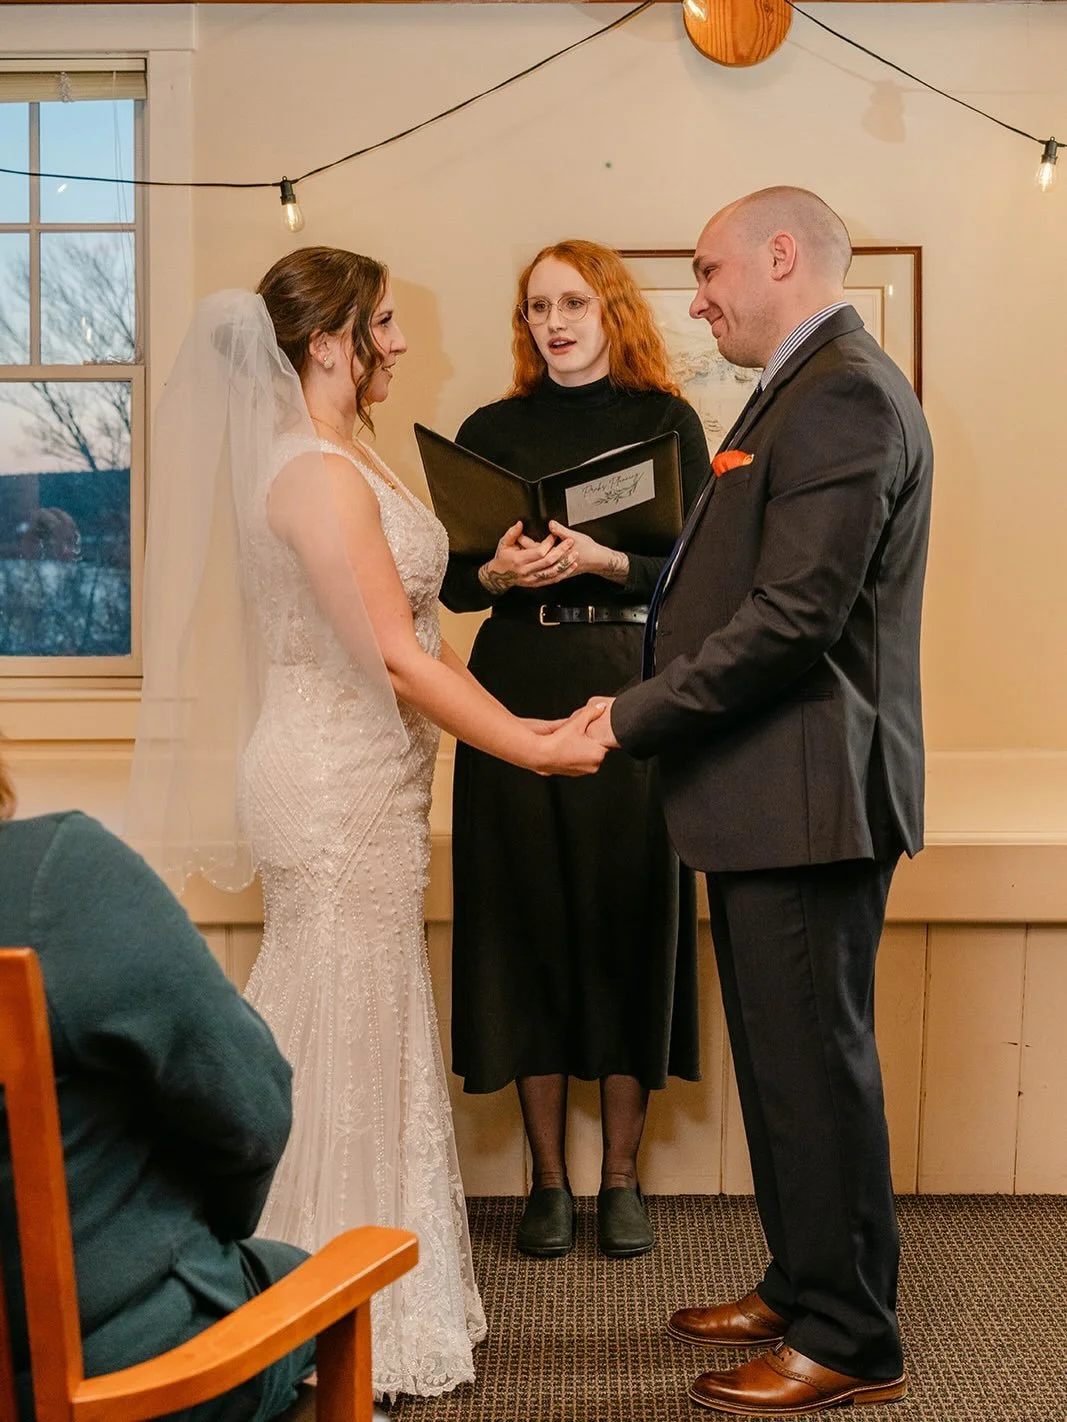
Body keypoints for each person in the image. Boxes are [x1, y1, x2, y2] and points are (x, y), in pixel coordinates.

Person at [127, 247, 605, 1402]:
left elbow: (399, 614)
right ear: (329, 341)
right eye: (382, 324)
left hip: (377, 784)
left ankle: (362, 1298)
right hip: (329, 781)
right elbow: (393, 653)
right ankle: (295, 1311)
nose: (398, 341)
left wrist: (483, 568)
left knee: (369, 1026)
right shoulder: (312, 471)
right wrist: (535, 744)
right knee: (326, 1025)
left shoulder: (354, 455)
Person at [585, 188, 932, 1414]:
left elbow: (791, 622)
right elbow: (732, 581)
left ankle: (847, 1338)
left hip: (806, 796)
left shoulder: (838, 390)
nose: (694, 296)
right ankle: (801, 1283)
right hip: (771, 794)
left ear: (780, 255)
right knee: (786, 1066)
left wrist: (625, 720)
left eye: (707, 268)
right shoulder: (808, 384)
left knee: (812, 1070)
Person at [441, 240, 710, 1260]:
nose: (553, 322)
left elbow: (696, 572)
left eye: (572, 302)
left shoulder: (664, 420)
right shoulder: (490, 430)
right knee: (526, 928)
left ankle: (622, 1182)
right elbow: (459, 586)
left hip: (628, 695)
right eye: (536, 306)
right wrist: (504, 575)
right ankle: (547, 1184)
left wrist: (602, 556)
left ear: (610, 310)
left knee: (627, 922)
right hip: (511, 689)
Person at [0, 757, 314, 1422]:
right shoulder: (59, 877)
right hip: (107, 1373)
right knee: (306, 1280)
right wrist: (219, 1227)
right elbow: (252, 1110)